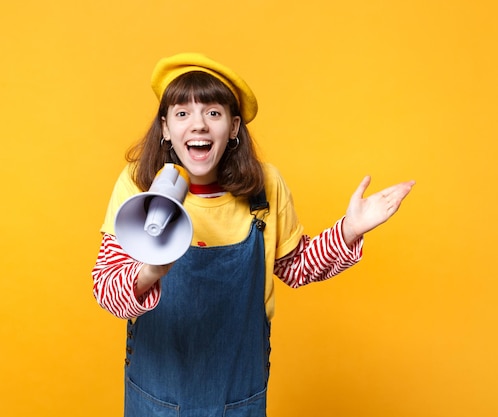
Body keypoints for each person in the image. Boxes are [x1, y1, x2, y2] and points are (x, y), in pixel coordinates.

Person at [91, 52, 414, 417]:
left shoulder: (264, 187)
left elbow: (297, 267)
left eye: (213, 112)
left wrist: (350, 229)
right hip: (156, 396)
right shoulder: (138, 186)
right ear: (165, 127)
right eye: (182, 113)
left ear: (233, 127)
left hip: (238, 395)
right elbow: (106, 290)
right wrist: (149, 270)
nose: (198, 124)